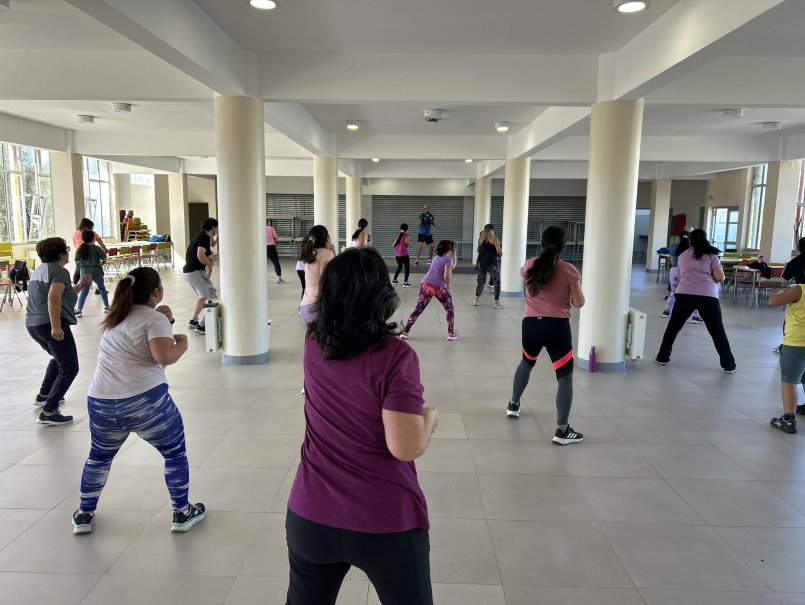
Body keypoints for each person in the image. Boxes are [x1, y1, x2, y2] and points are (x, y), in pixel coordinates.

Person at [286, 247, 437, 605]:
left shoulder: (312, 342)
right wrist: (430, 419)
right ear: (382, 297)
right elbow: (406, 446)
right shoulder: (396, 357)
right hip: (384, 519)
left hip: (311, 514)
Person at [72, 267, 206, 535]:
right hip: (146, 403)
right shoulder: (152, 319)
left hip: (101, 401)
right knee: (174, 453)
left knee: (98, 458)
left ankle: (84, 514)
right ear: (156, 292)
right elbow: (163, 356)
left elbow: (143, 338)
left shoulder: (115, 317)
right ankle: (182, 512)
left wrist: (165, 321)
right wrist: (181, 342)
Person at [505, 226, 585, 445]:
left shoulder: (531, 264)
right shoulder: (568, 270)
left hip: (530, 324)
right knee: (564, 377)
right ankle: (562, 429)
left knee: (526, 362)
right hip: (557, 327)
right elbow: (579, 303)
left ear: (541, 244)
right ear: (564, 246)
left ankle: (513, 404)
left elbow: (527, 279)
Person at [25, 237, 93, 425]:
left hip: (33, 324)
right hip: (49, 324)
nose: (68, 253)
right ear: (61, 254)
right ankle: (49, 411)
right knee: (70, 367)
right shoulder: (59, 272)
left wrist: (81, 285)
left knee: (58, 359)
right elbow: (53, 299)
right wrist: (56, 326)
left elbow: (61, 296)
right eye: (66, 250)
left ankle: (44, 395)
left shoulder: (40, 271)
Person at [656, 229, 736, 373]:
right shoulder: (712, 255)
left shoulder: (682, 255)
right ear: (705, 239)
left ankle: (662, 357)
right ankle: (728, 364)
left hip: (684, 294)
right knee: (717, 331)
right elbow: (720, 278)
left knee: (673, 328)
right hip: (708, 296)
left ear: (690, 241)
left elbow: (682, 275)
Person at [400, 240, 460, 341]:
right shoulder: (448, 259)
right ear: (449, 249)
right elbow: (447, 276)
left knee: (418, 309)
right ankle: (451, 334)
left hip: (425, 284)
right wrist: (448, 285)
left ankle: (405, 332)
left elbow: (452, 265)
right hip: (439, 287)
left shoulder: (436, 258)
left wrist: (453, 254)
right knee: (449, 309)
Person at [768, 281, 805, 434]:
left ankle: (788, 420)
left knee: (789, 381)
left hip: (796, 344)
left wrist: (776, 295)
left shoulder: (800, 289)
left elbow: (773, 302)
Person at [182, 218, 219, 335]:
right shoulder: (203, 237)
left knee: (203, 297)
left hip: (191, 272)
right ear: (213, 227)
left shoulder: (203, 236)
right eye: (217, 227)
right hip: (195, 272)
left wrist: (213, 259)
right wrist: (209, 263)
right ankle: (202, 326)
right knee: (212, 297)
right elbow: (200, 255)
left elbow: (209, 256)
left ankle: (193, 321)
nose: (218, 229)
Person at [662, 229, 703, 323]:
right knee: (693, 293)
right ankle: (695, 316)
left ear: (679, 238)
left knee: (673, 292)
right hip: (688, 271)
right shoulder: (692, 248)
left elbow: (672, 260)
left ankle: (667, 311)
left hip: (675, 270)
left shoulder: (674, 246)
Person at [299, 225, 335, 326]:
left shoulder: (311, 254)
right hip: (318, 308)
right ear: (327, 238)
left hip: (305, 307)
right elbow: (328, 280)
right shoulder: (326, 254)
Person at [774, 237, 805, 353]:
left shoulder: (796, 261)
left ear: (799, 248)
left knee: (792, 320)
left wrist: (786, 267)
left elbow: (783, 280)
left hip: (800, 293)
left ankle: (787, 345)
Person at [74, 229, 110, 316]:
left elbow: (77, 261)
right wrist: (100, 264)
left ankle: (79, 310)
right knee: (102, 289)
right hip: (97, 272)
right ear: (93, 238)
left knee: (84, 292)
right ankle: (107, 306)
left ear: (83, 238)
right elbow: (104, 259)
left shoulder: (80, 249)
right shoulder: (96, 248)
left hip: (85, 273)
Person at [72, 218, 108, 292]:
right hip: (91, 254)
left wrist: (78, 251)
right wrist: (104, 249)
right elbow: (100, 241)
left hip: (80, 254)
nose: (91, 228)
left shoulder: (76, 232)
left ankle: (75, 287)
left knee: (78, 270)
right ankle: (100, 287)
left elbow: (74, 244)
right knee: (95, 271)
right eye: (91, 226)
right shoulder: (91, 233)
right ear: (87, 226)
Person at [474, 224, 503, 309]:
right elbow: (499, 252)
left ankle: (476, 300)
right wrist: (500, 252)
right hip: (491, 262)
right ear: (492, 230)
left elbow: (478, 250)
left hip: (481, 262)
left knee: (481, 282)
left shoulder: (481, 238)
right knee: (496, 281)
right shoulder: (493, 237)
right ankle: (496, 303)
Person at [392, 223, 412, 287]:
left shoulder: (398, 236)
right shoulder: (407, 235)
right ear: (406, 229)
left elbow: (393, 245)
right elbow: (406, 241)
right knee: (407, 268)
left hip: (397, 255)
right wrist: (410, 244)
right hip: (404, 254)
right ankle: (405, 283)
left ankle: (394, 280)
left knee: (400, 266)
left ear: (400, 228)